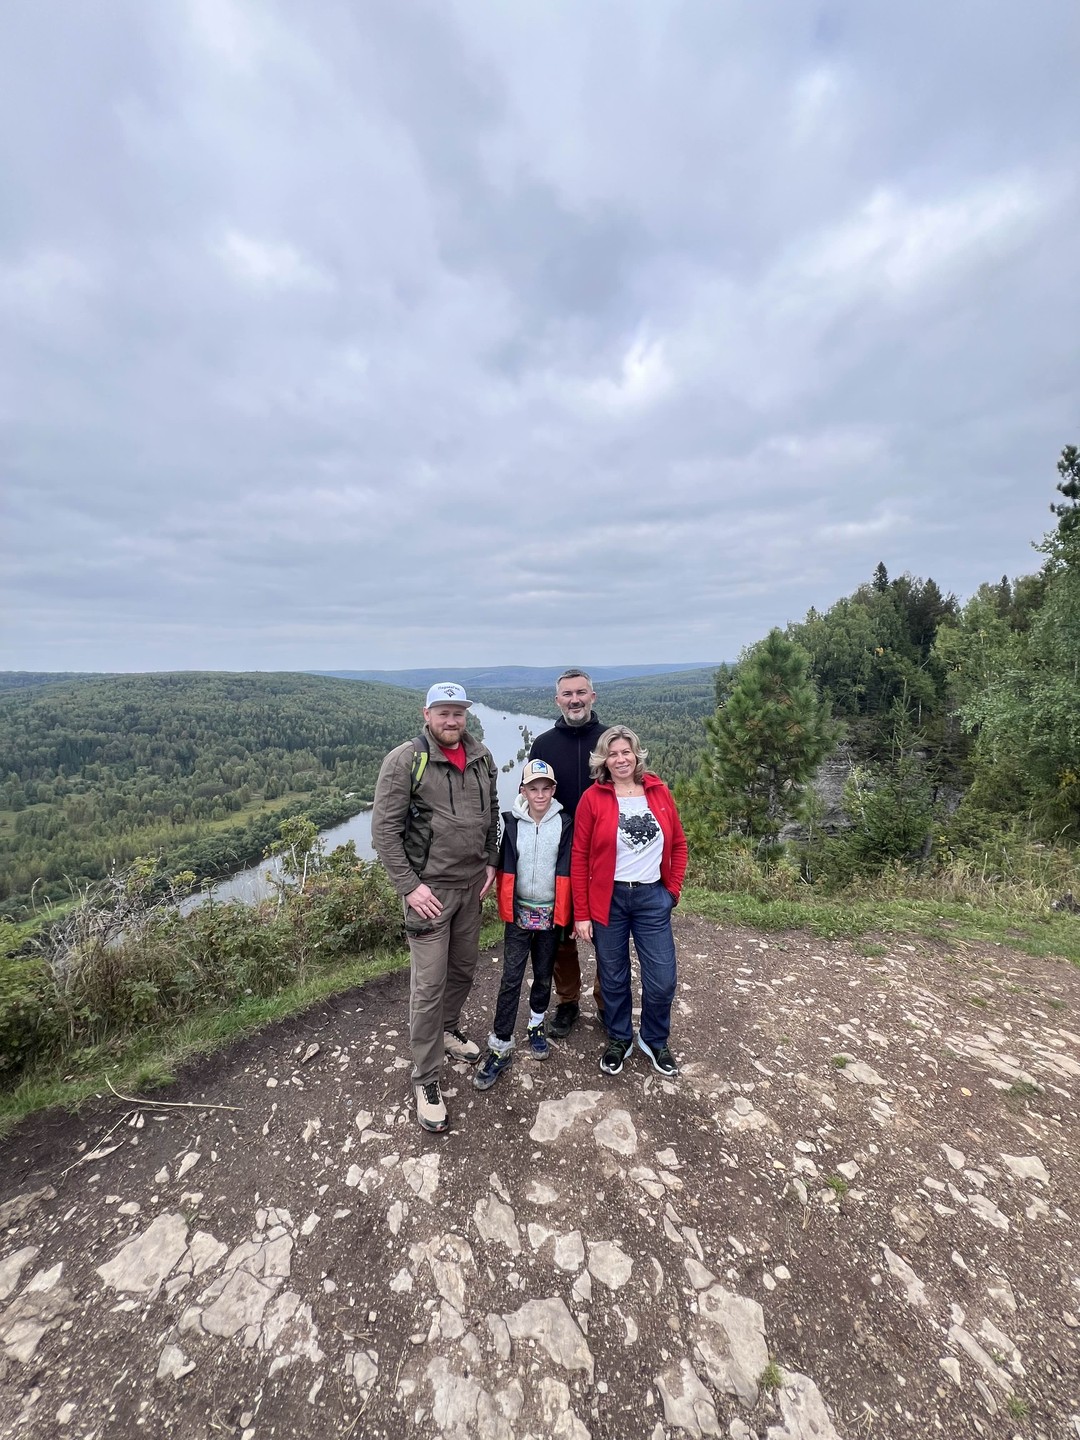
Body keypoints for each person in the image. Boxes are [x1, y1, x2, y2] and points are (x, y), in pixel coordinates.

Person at [371, 682, 499, 1133]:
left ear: (466, 715)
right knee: (428, 985)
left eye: (458, 713)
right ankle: (426, 1079)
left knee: (463, 969)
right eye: (443, 712)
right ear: (426, 714)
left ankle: (447, 1030)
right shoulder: (406, 760)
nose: (451, 721)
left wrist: (492, 862)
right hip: (429, 894)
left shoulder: (482, 757)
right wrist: (409, 886)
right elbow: (384, 833)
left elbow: (493, 815)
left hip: (471, 888)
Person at [571, 725, 688, 1078]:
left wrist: (672, 892)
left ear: (636, 755)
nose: (620, 759)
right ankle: (620, 1037)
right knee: (613, 975)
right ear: (603, 760)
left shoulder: (658, 791)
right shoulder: (593, 798)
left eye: (626, 752)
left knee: (663, 978)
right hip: (609, 900)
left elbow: (679, 845)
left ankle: (654, 1039)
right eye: (613, 753)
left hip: (653, 897)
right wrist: (582, 913)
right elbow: (579, 857)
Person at [473, 759, 573, 1091]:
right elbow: (500, 862)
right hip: (518, 916)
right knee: (511, 978)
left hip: (548, 916)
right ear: (523, 790)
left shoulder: (565, 823)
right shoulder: (512, 823)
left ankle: (535, 1025)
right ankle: (500, 1045)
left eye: (546, 788)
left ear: (553, 790)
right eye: (533, 788)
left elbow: (570, 870)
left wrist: (570, 915)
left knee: (543, 975)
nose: (540, 794)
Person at [528, 669, 608, 1038]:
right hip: (558, 854)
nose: (574, 699)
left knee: (609, 931)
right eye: (567, 694)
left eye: (581, 692)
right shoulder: (543, 744)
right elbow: (528, 798)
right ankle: (568, 1002)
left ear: (593, 696)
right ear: (557, 700)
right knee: (561, 933)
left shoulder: (609, 742)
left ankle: (608, 1002)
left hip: (606, 854)